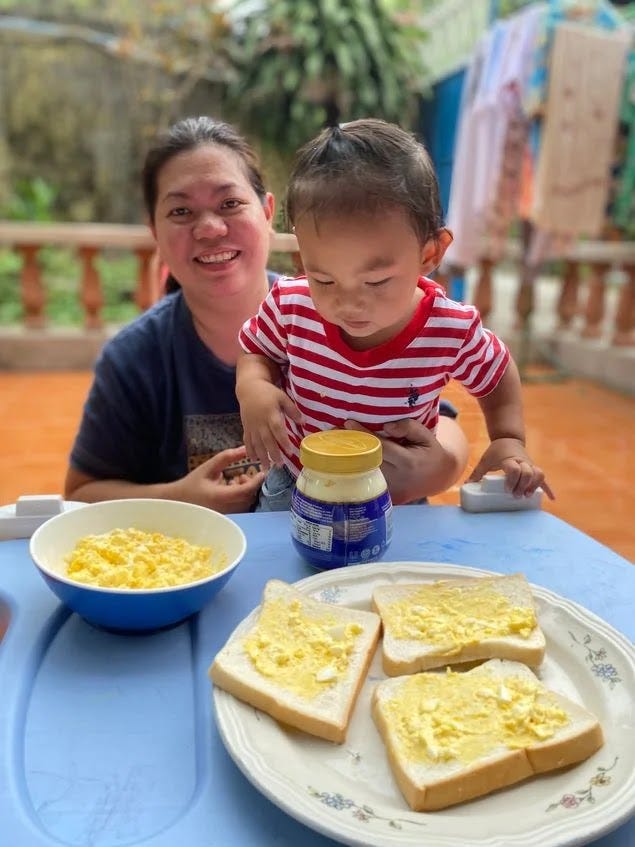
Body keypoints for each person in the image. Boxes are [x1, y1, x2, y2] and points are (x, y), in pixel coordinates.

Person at [64, 116, 468, 513]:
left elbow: (435, 414)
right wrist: (181, 499)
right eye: (180, 212)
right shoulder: (135, 358)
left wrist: (442, 466)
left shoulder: (342, 308)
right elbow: (82, 493)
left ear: (268, 214)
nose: (209, 228)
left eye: (230, 203)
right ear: (154, 230)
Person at [237, 118, 553, 512]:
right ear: (303, 257)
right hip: (300, 482)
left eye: (376, 282)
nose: (349, 303)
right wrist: (253, 388)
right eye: (324, 279)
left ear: (429, 255)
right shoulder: (290, 304)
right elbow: (255, 350)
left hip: (394, 492)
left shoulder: (448, 328)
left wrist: (508, 438)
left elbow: (497, 372)